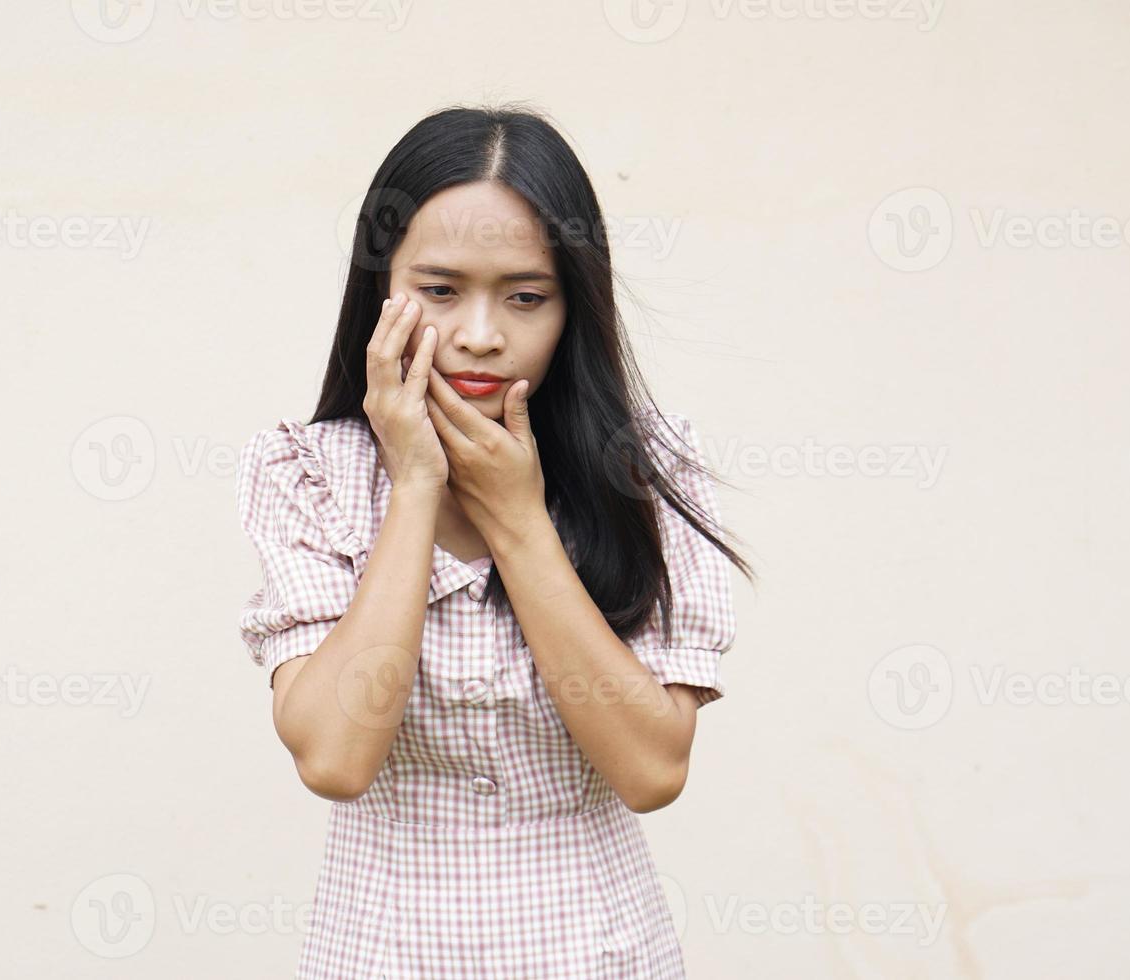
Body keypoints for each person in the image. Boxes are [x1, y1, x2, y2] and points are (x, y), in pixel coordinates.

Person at [235, 103, 753, 979]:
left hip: (600, 954)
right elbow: (333, 755)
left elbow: (651, 769)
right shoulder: (308, 471)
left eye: (525, 297)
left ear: (573, 304)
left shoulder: (648, 468)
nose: (481, 333)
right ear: (382, 290)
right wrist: (416, 485)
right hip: (380, 955)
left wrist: (517, 518)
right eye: (440, 291)